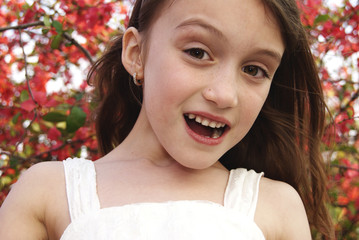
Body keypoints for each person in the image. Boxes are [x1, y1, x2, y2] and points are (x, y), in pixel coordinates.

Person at [0, 0, 334, 239]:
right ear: (136, 54)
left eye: (254, 70)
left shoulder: (277, 206)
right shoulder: (47, 193)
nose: (225, 95)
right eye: (197, 52)